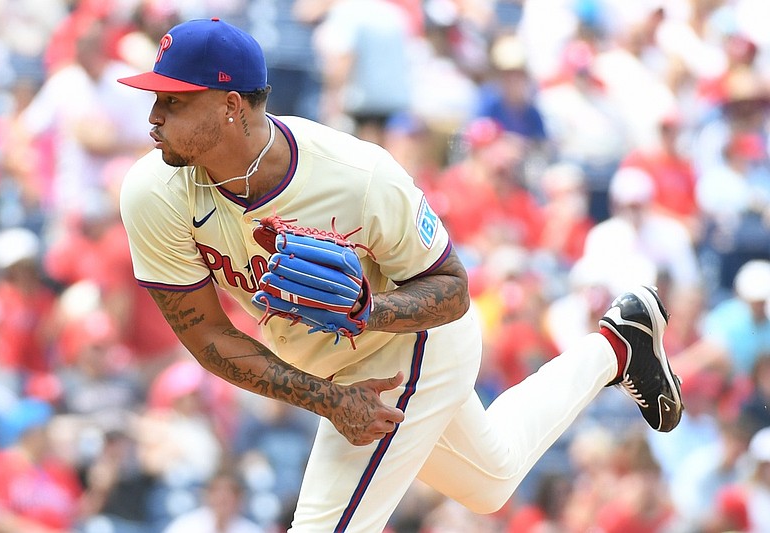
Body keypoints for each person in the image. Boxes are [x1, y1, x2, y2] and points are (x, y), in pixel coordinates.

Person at [117, 18, 683, 532]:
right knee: (491, 481)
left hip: (411, 344)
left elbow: (454, 288)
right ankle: (617, 344)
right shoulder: (153, 193)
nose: (153, 118)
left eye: (173, 101)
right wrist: (329, 400)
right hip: (333, 371)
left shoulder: (358, 175)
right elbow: (208, 337)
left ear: (231, 106)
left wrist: (369, 311)